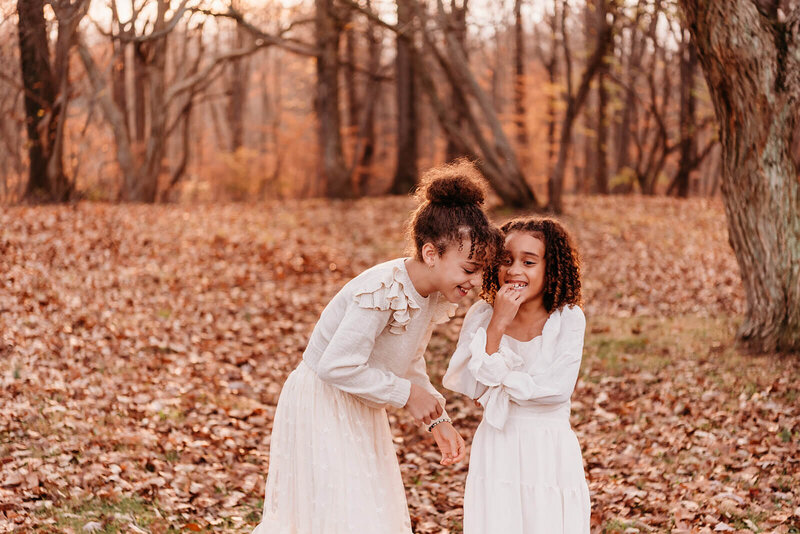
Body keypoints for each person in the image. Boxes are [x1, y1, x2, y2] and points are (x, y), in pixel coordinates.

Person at [252, 161, 502, 534]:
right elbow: (335, 365)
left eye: (483, 271)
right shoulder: (383, 289)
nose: (477, 281)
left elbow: (409, 359)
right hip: (324, 402)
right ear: (431, 253)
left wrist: (437, 418)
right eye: (468, 270)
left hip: (359, 404)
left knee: (368, 510)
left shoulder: (431, 295)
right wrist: (405, 395)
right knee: (342, 516)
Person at [443, 217, 591, 534]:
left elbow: (556, 390)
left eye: (529, 261)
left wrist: (498, 377)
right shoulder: (482, 315)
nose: (514, 271)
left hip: (548, 447)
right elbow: (470, 385)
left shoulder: (567, 318)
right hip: (498, 443)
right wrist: (497, 324)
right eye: (506, 261)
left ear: (550, 268)